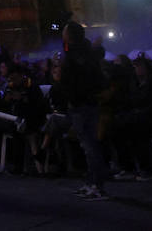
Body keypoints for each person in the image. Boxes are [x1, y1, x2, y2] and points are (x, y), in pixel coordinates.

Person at [59, 21, 109, 200]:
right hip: (87, 102)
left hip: (81, 103)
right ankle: (91, 182)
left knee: (90, 145)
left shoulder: (75, 55)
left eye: (64, 31)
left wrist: (71, 96)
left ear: (70, 35)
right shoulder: (85, 52)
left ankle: (97, 185)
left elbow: (72, 80)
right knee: (88, 145)